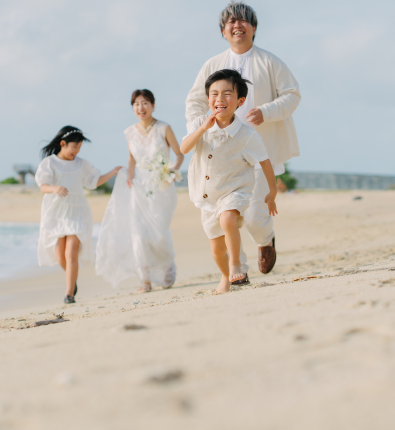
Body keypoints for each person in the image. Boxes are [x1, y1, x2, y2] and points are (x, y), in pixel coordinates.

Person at [185, 0, 301, 284]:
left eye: (243, 20)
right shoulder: (212, 64)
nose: (237, 25)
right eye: (230, 22)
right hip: (222, 154)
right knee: (226, 216)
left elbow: (292, 95)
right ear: (224, 31)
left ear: (254, 28)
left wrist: (266, 111)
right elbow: (195, 101)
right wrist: (200, 128)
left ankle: (266, 239)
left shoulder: (270, 61)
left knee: (254, 215)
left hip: (258, 147)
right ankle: (240, 270)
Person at [180, 69, 278, 294]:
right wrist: (203, 128)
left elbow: (264, 161)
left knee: (227, 219)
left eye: (227, 94)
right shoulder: (199, 124)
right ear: (208, 99)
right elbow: (184, 148)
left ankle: (237, 265)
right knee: (216, 250)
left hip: (235, 191)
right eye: (214, 94)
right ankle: (226, 276)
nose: (220, 99)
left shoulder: (247, 135)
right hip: (207, 196)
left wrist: (271, 192)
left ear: (240, 101)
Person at [96, 90, 185, 292]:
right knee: (138, 232)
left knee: (159, 233)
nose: (140, 108)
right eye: (136, 104)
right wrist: (129, 174)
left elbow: (179, 155)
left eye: (145, 103)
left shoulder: (164, 128)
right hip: (139, 185)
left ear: (153, 105)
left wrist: (171, 171)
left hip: (162, 185)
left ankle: (167, 265)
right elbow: (132, 158)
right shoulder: (129, 132)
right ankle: (144, 279)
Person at [35, 126, 121, 304]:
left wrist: (112, 172)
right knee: (60, 257)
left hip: (77, 211)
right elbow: (43, 186)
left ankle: (69, 294)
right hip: (56, 213)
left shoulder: (81, 164)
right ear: (63, 144)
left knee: (71, 253)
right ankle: (72, 281)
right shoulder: (50, 163)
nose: (77, 151)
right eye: (74, 146)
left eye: (80, 147)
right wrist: (55, 188)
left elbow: (94, 182)